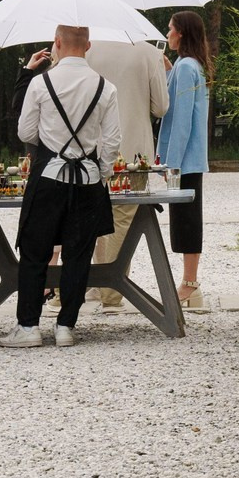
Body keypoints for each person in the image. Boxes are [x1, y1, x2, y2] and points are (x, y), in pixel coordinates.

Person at [9, 24, 121, 347]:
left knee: (33, 250)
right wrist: (100, 170)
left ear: (57, 43)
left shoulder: (40, 83)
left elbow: (25, 133)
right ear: (88, 45)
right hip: (87, 179)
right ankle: (65, 327)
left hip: (47, 177)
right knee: (78, 253)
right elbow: (112, 140)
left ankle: (28, 326)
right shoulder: (105, 87)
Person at [86, 28, 169, 308]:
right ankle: (112, 291)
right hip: (133, 149)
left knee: (89, 214)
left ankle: (91, 285)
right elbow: (161, 107)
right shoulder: (148, 51)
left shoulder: (86, 47)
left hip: (90, 145)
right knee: (121, 218)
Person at [160, 9, 214, 309]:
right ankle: (189, 282)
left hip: (185, 160)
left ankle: (190, 285)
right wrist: (169, 70)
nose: (167, 33)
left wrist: (172, 164)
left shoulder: (186, 67)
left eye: (170, 29)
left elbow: (181, 120)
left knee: (186, 221)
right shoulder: (189, 65)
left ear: (180, 33)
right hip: (192, 157)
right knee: (186, 220)